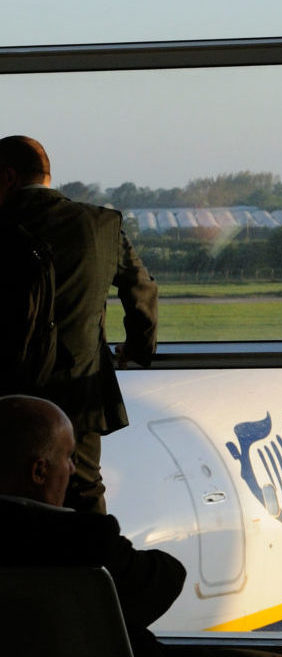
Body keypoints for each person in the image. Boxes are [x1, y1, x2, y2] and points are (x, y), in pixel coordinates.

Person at [0, 394, 282, 657]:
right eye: (68, 458)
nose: (74, 470)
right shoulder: (81, 540)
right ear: (39, 471)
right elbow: (159, 584)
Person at [0, 135, 158, 515]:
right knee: (84, 485)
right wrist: (139, 347)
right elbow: (141, 289)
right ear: (47, 176)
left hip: (8, 391)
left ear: (7, 176)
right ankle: (93, 569)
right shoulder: (100, 224)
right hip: (78, 389)